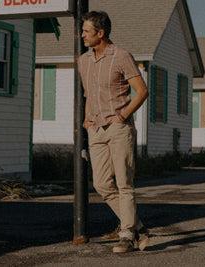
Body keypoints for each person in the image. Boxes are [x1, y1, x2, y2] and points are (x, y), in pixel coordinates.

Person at [78, 11, 150, 253]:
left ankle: (128, 234)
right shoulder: (83, 60)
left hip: (119, 128)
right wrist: (87, 119)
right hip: (96, 130)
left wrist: (122, 116)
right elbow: (90, 94)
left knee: (124, 184)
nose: (82, 35)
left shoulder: (121, 56)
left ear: (101, 33)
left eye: (86, 31)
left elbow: (141, 90)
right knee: (101, 184)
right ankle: (139, 226)